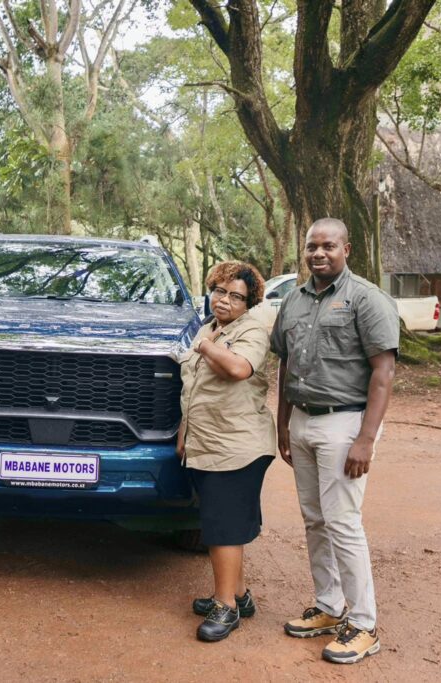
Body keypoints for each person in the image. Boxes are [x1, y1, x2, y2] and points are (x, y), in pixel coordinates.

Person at [270, 217, 399, 664]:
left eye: (328, 246)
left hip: (346, 425)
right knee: (314, 518)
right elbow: (285, 365)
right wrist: (284, 422)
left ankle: (364, 624)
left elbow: (383, 372)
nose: (319, 253)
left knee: (343, 521)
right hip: (303, 421)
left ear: (347, 249)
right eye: (311, 247)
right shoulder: (293, 300)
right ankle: (329, 605)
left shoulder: (366, 299)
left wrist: (366, 439)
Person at [177, 260, 276, 642]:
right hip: (208, 442)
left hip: (237, 446)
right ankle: (238, 594)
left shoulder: (250, 330)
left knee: (222, 529)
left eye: (236, 296)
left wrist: (204, 347)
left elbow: (237, 369)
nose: (225, 300)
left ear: (249, 303)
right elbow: (193, 388)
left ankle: (226, 608)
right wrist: (184, 431)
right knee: (227, 524)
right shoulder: (208, 329)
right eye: (220, 291)